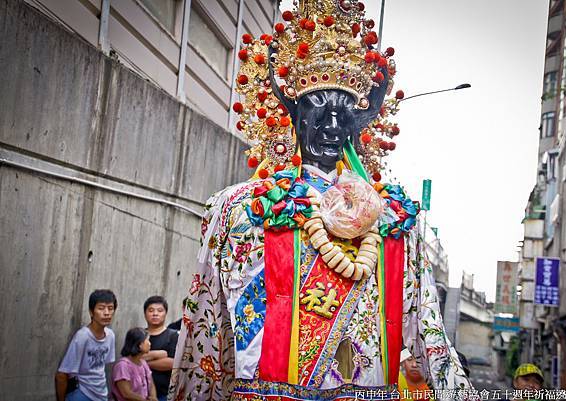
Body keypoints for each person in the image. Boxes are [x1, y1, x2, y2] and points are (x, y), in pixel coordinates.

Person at [168, 0, 473, 399]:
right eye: (318, 108)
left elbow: (429, 334)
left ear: (361, 122)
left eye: (344, 112)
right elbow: (207, 340)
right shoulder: (240, 209)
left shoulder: (396, 220)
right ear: (293, 113)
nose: (331, 126)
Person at [55, 289, 117, 401]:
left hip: (101, 393)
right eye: (101, 308)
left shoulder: (110, 335)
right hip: (81, 393)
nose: (107, 312)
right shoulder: (83, 336)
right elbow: (62, 374)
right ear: (91, 312)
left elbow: (102, 367)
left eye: (110, 308)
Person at [142, 296, 178, 401]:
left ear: (165, 313)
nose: (155, 314)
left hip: (164, 394)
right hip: (139, 393)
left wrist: (143, 363)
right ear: (145, 313)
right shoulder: (139, 335)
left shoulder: (173, 335)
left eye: (160, 310)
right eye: (151, 310)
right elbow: (130, 359)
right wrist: (159, 357)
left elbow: (171, 363)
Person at [111, 327, 158, 401]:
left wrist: (153, 397)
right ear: (140, 344)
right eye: (147, 340)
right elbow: (126, 393)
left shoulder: (143, 363)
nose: (150, 343)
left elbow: (151, 384)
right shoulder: (122, 366)